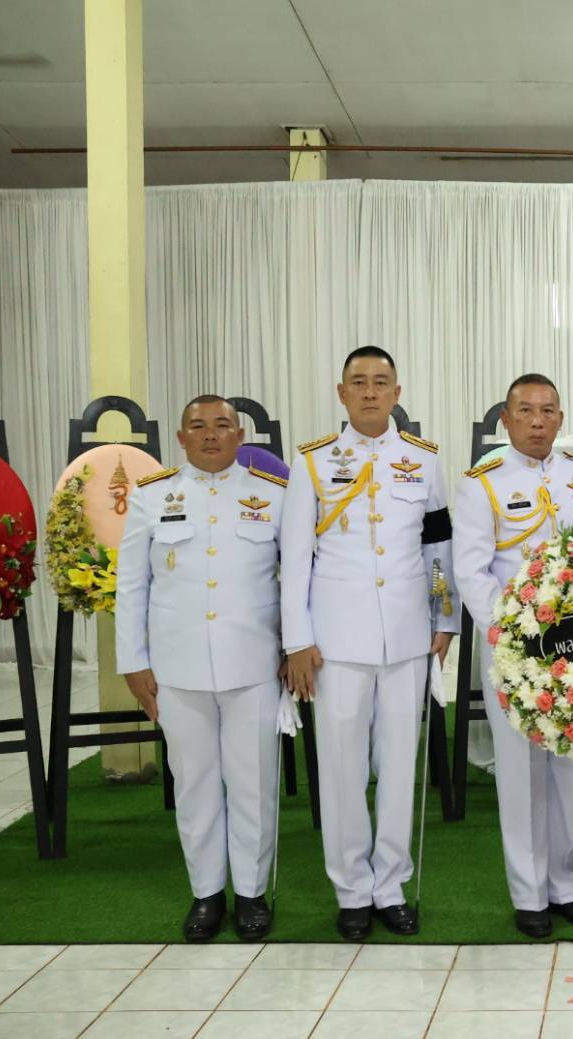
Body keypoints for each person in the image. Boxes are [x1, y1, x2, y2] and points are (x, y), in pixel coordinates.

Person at [281, 346, 460, 941]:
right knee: (342, 769)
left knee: (400, 766)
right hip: (335, 641)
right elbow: (294, 559)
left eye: (381, 382)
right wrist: (297, 639)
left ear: (397, 392)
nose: (370, 392)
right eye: (358, 382)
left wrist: (444, 616)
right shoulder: (312, 462)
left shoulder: (423, 460)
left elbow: (438, 549)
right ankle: (353, 891)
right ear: (342, 393)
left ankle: (391, 887)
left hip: (407, 636)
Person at [115, 395, 286, 942]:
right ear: (181, 438)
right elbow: (131, 585)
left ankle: (252, 894)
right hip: (177, 667)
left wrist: (293, 648)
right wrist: (133, 662)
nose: (211, 434)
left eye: (222, 425)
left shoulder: (273, 495)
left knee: (253, 784)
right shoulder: (151, 496)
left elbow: (294, 580)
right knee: (194, 784)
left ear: (240, 436)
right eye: (198, 426)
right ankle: (207, 893)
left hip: (252, 664)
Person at [453, 373, 573, 939]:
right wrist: (512, 632)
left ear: (560, 418)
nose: (537, 421)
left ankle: (566, 886)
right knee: (519, 774)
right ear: (507, 419)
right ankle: (529, 895)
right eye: (525, 411)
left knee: (570, 766)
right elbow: (470, 570)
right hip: (513, 649)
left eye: (547, 411)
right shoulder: (481, 483)